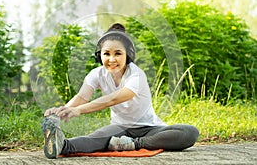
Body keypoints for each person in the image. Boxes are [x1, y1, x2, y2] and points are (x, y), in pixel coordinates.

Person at [41, 23, 199, 159]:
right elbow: (82, 97)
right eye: (106, 54)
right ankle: (60, 145)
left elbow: (113, 99)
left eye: (118, 53)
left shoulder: (136, 75)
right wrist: (60, 113)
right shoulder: (96, 74)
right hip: (119, 128)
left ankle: (133, 144)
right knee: (94, 138)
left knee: (190, 132)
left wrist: (78, 110)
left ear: (127, 55)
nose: (112, 59)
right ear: (99, 55)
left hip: (149, 129)